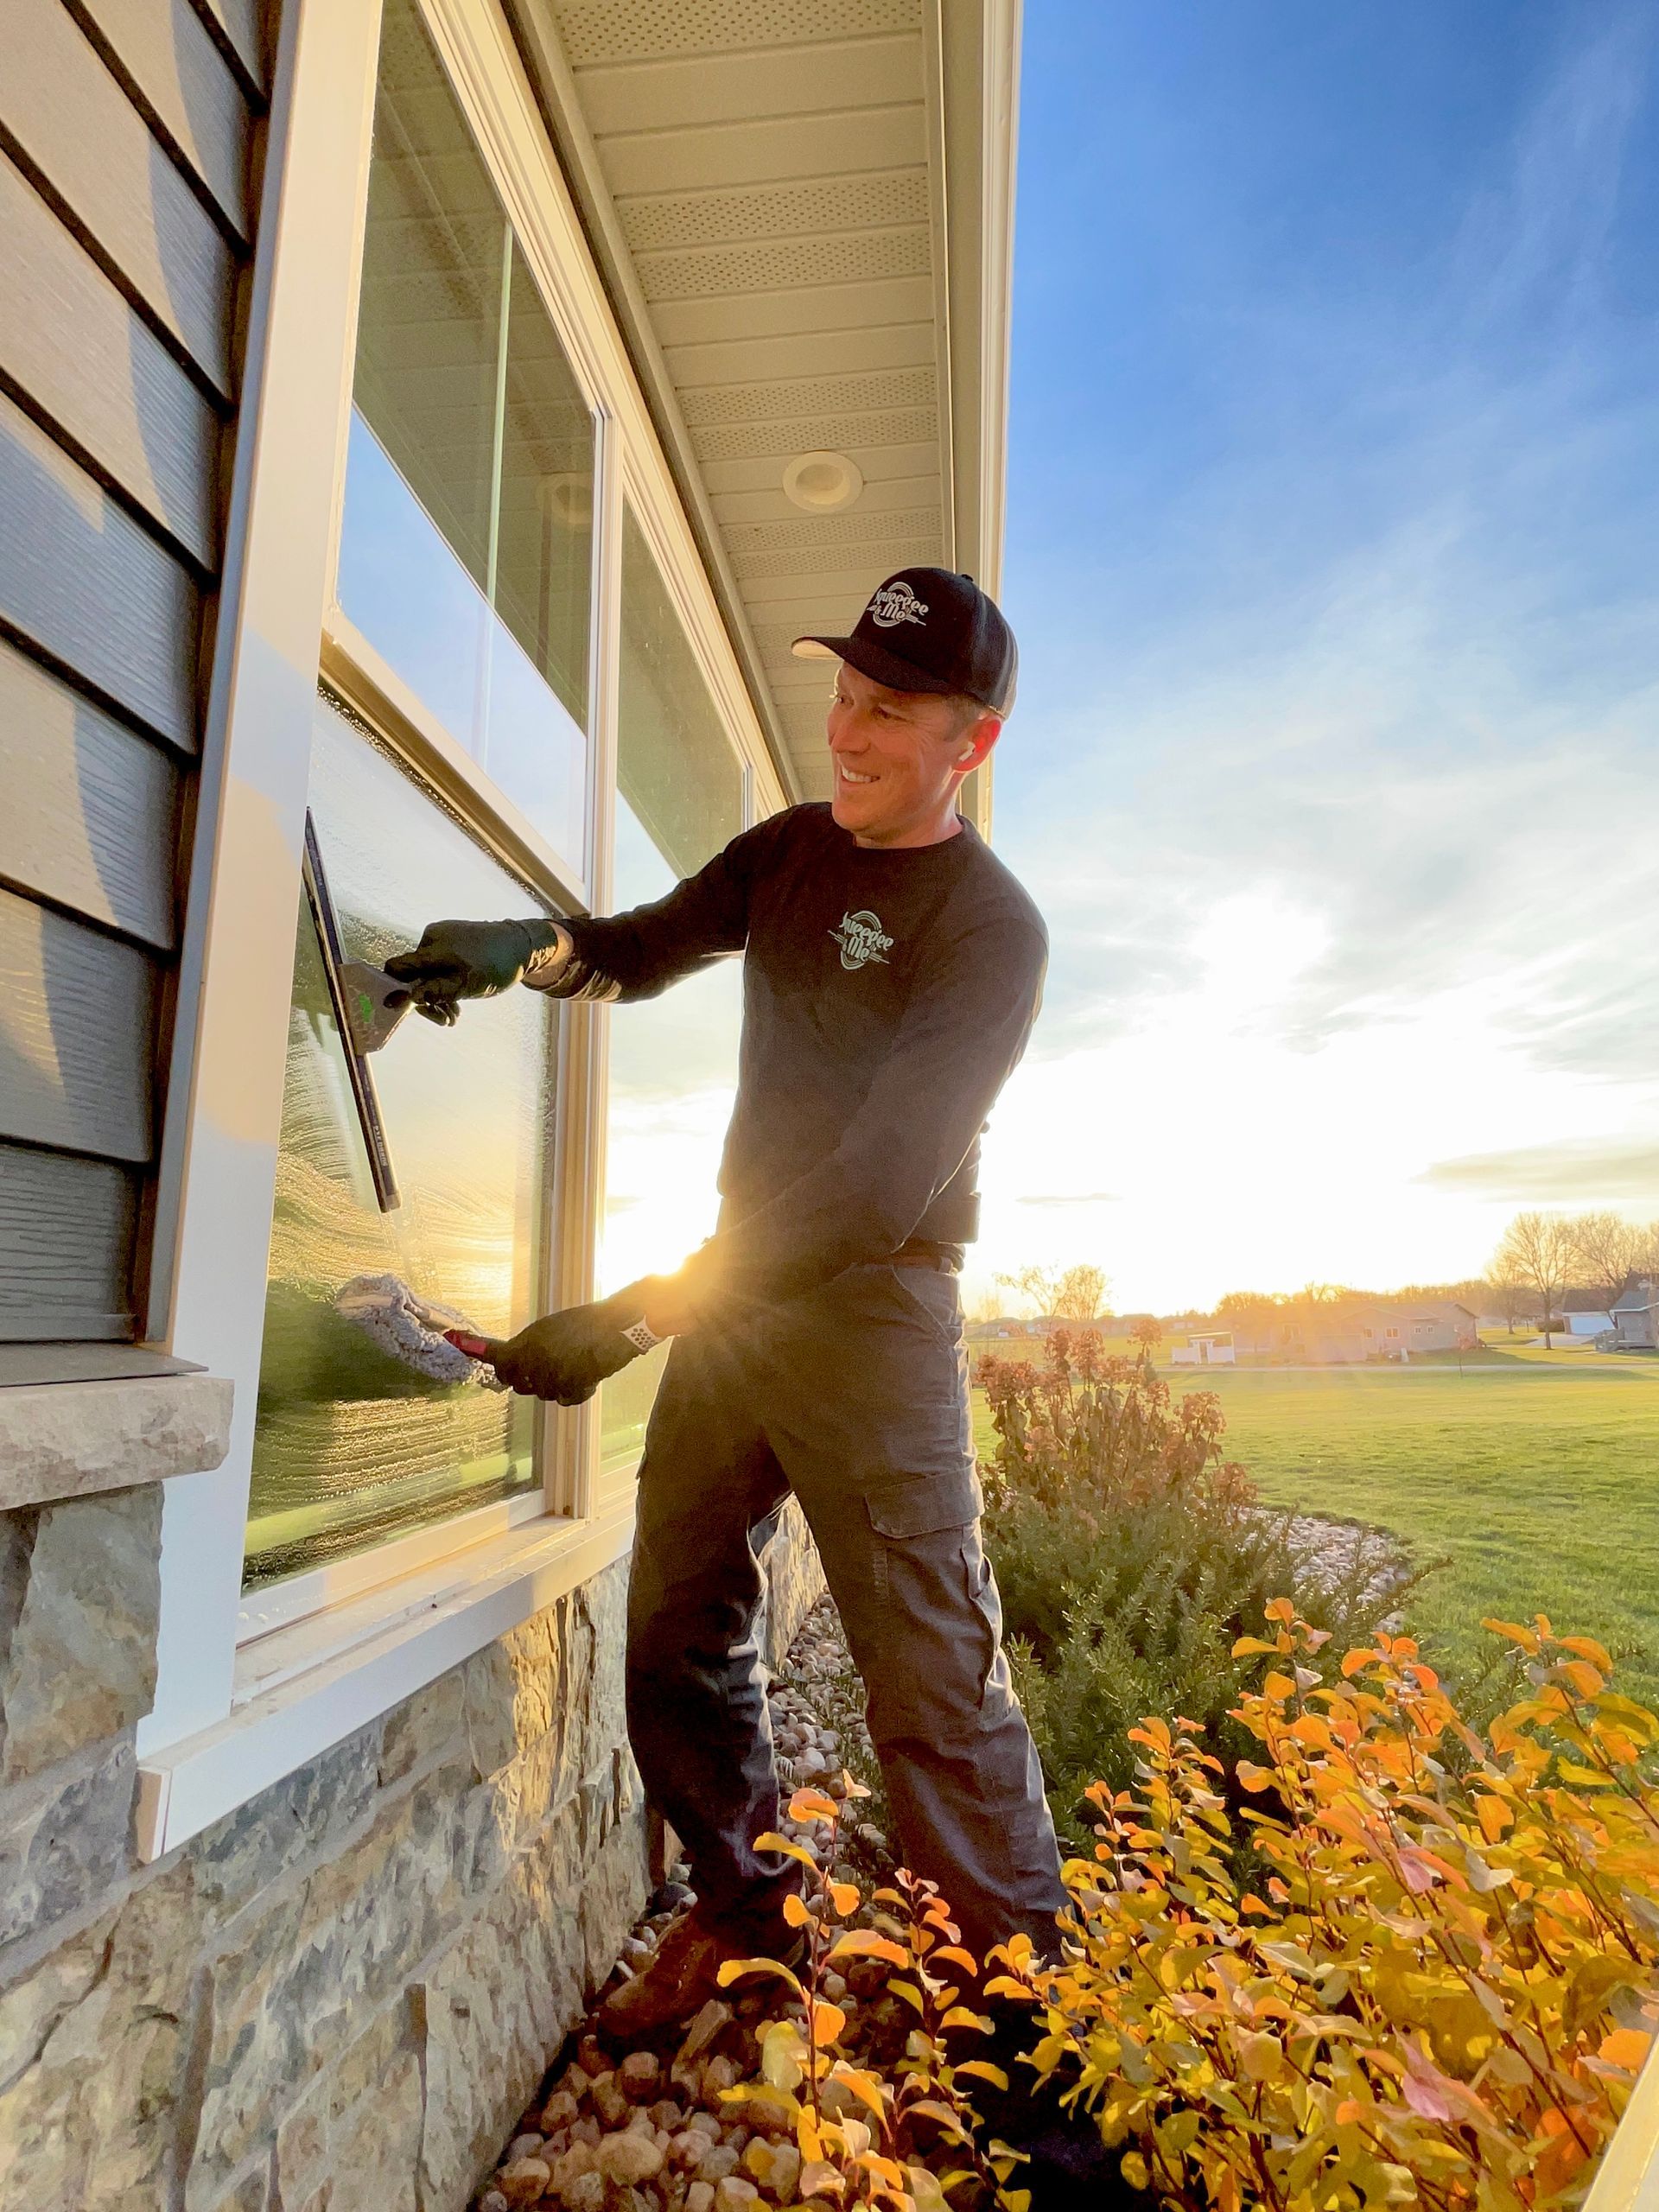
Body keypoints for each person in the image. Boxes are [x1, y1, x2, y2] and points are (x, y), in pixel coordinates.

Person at [387, 567, 1068, 2039]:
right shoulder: (786, 856)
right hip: (741, 1294)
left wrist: (633, 1316)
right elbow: (636, 952)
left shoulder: (990, 930)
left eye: (890, 708)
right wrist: (525, 953)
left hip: (876, 1321)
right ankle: (751, 1938)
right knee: (677, 1632)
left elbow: (873, 1191)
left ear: (974, 743)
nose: (848, 729)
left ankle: (1036, 2095)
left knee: (937, 1704)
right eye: (843, 691)